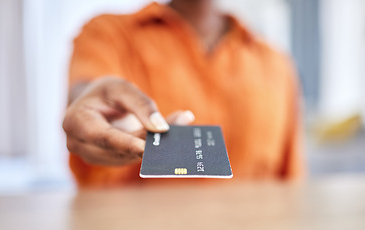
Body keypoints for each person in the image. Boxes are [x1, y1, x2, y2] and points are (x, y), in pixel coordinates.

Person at [63, 0, 305, 187]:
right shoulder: (108, 34)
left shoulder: (276, 63)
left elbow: (292, 181)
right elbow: (88, 93)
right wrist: (93, 111)